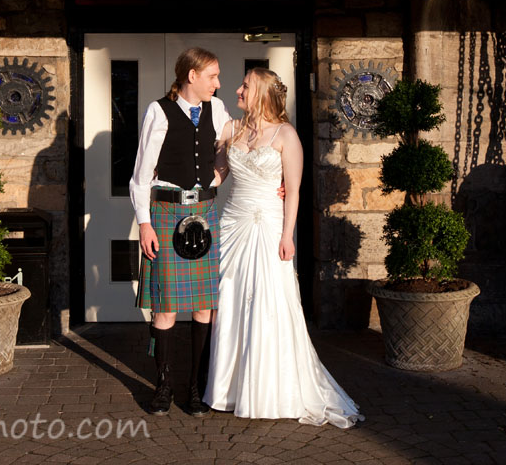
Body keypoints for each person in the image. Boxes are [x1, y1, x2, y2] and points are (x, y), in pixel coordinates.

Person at [203, 67, 364, 428]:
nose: (238, 89)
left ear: (260, 93)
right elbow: (217, 174)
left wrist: (288, 235)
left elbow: (292, 191)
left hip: (270, 226)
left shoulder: (286, 135)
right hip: (232, 225)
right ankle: (228, 388)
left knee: (268, 301)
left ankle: (271, 389)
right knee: (229, 301)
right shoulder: (231, 129)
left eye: (245, 85)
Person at [130, 47, 230, 417]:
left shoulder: (216, 110)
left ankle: (196, 387)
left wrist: (223, 174)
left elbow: (237, 148)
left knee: (205, 305)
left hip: (205, 211)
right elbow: (141, 175)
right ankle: (164, 385)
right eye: (212, 77)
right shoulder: (158, 111)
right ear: (192, 76)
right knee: (166, 308)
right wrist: (144, 222)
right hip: (166, 212)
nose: (218, 84)